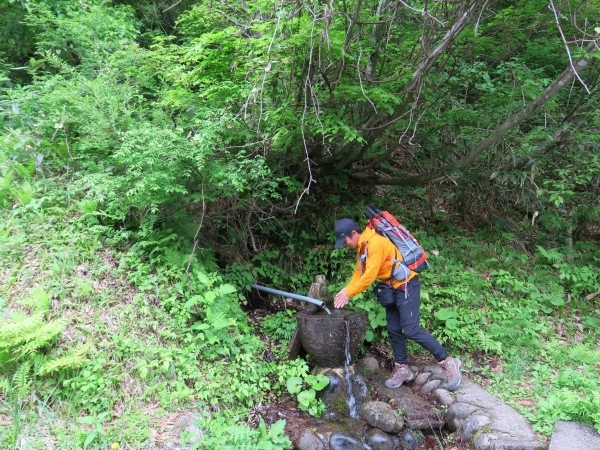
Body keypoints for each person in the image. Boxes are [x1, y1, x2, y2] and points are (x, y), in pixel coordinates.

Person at [333, 217, 462, 390]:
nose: (345, 244)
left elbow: (369, 276)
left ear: (354, 233)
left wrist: (349, 293)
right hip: (390, 287)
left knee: (411, 329)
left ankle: (447, 361)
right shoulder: (362, 248)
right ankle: (402, 368)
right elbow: (359, 273)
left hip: (407, 285)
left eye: (345, 240)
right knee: (393, 329)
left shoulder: (375, 243)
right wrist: (345, 290)